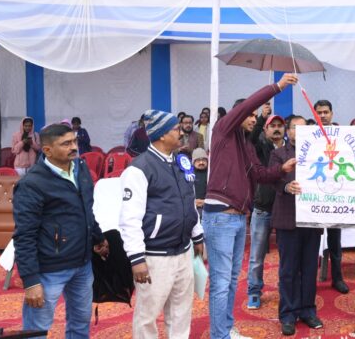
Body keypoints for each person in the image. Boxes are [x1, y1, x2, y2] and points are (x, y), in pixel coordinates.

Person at [203, 74, 298, 339]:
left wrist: (282, 168)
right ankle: (219, 335)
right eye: (250, 115)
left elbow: (259, 174)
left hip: (237, 218)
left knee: (232, 280)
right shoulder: (223, 129)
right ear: (238, 115)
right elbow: (247, 105)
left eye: (256, 117)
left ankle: (225, 329)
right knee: (221, 282)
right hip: (220, 216)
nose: (254, 119)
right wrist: (277, 87)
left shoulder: (246, 145)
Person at [13, 123, 109, 338]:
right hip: (50, 269)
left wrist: (98, 237)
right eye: (66, 144)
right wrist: (31, 280)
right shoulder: (32, 183)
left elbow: (86, 209)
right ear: (47, 150)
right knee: (36, 330)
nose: (73, 147)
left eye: (74, 141)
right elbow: (24, 235)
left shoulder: (81, 168)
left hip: (83, 264)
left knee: (80, 323)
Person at [119, 109, 205, 339]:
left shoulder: (181, 161)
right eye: (176, 129)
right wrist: (137, 259)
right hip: (155, 256)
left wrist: (197, 235)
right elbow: (129, 219)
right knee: (147, 316)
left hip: (183, 251)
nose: (182, 132)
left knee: (181, 312)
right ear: (161, 135)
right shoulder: (139, 169)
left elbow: (189, 201)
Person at [270, 115, 324, 335]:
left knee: (310, 269)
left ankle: (308, 311)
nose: (299, 132)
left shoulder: (318, 151)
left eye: (304, 128)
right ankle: (288, 314)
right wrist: (285, 187)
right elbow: (272, 179)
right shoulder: (278, 154)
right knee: (289, 270)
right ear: (288, 131)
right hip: (288, 218)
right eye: (295, 128)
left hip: (312, 219)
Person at [246, 114, 287, 309]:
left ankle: (285, 289)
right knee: (256, 255)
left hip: (286, 209)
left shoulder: (292, 150)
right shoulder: (260, 147)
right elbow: (251, 138)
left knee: (287, 254)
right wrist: (262, 117)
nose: (277, 128)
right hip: (262, 209)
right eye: (273, 126)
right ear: (265, 129)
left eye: (280, 125)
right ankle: (254, 291)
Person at [313, 99, 348, 294]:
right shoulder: (308, 135)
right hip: (314, 197)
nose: (323, 115)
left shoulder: (342, 134)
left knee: (335, 242)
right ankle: (309, 280)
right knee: (311, 243)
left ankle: (337, 278)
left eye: (326, 112)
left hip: (336, 195)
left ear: (332, 113)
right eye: (319, 112)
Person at [192, 148, 208, 217]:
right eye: (198, 160)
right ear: (193, 162)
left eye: (203, 160)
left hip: (209, 207)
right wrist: (193, 201)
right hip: (193, 208)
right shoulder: (189, 174)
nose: (201, 162)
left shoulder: (211, 173)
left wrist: (205, 201)